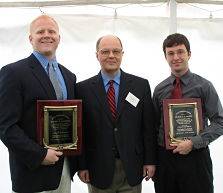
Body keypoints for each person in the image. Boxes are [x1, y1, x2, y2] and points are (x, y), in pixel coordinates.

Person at [0, 15, 77, 193]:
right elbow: (6, 126)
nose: (46, 35)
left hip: (64, 171)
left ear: (59, 38)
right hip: (32, 173)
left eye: (51, 31)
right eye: (40, 31)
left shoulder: (69, 76)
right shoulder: (13, 72)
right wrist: (40, 155)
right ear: (30, 38)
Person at [76, 35, 156, 193]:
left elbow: (148, 127)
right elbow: (80, 131)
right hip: (97, 170)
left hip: (133, 167)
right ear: (97, 55)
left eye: (116, 51)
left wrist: (150, 161)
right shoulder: (82, 89)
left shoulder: (141, 86)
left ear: (122, 54)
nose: (111, 55)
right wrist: (82, 165)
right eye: (105, 51)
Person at [153, 33, 223, 193]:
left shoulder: (204, 86)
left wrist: (193, 143)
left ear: (189, 54)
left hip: (196, 158)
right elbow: (154, 127)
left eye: (180, 52)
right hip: (166, 161)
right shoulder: (159, 90)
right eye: (170, 53)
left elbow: (220, 122)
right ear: (165, 57)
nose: (175, 57)